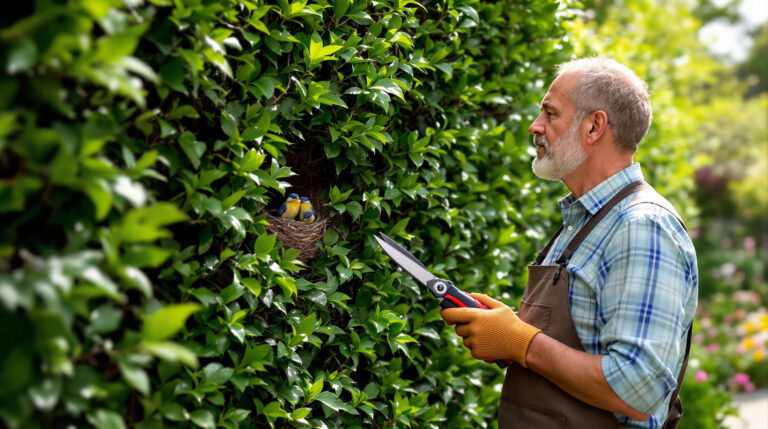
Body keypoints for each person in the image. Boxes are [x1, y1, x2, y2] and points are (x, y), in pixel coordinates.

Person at [440, 58, 698, 428]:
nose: (535, 126)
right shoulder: (587, 221)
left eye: (549, 112)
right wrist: (507, 331)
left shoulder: (642, 227)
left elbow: (637, 391)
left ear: (594, 126)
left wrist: (521, 342)